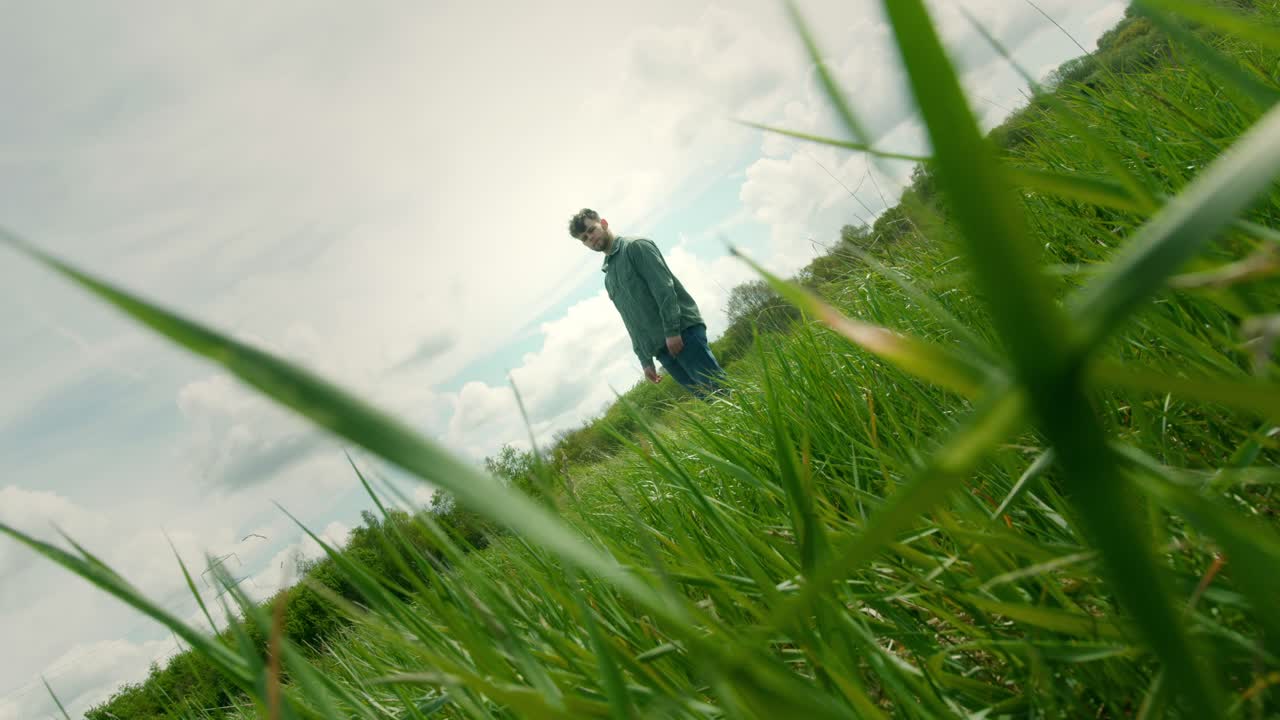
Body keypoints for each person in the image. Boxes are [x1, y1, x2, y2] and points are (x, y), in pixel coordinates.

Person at [568, 208, 727, 397]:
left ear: (603, 223)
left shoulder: (636, 246)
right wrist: (644, 359)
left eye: (591, 230)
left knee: (721, 393)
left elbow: (664, 289)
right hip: (662, 349)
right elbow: (631, 320)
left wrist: (672, 331)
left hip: (682, 335)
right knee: (711, 402)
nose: (590, 238)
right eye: (584, 238)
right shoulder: (609, 276)